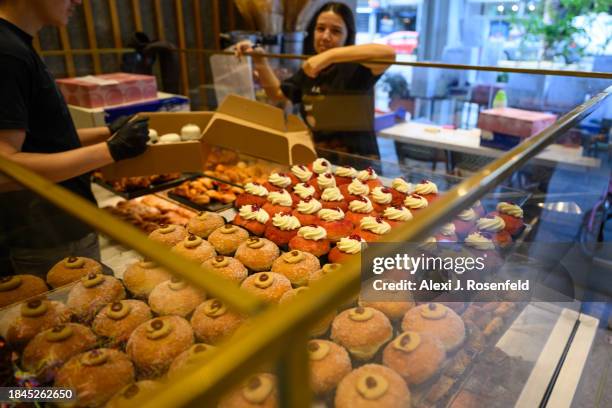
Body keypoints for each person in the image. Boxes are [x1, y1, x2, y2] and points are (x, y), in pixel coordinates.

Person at [0, 0, 150, 277]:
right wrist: (111, 150)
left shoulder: (17, 45)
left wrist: (107, 132)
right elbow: (6, 169)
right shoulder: (7, 53)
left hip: (62, 224)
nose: (79, 1)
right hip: (44, 234)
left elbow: (45, 142)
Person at [236, 2, 395, 159]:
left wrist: (329, 56)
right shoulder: (311, 69)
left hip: (359, 165)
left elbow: (388, 54)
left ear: (348, 36)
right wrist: (260, 59)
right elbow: (277, 93)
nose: (325, 36)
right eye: (320, 29)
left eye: (336, 31)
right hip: (323, 162)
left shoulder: (356, 68)